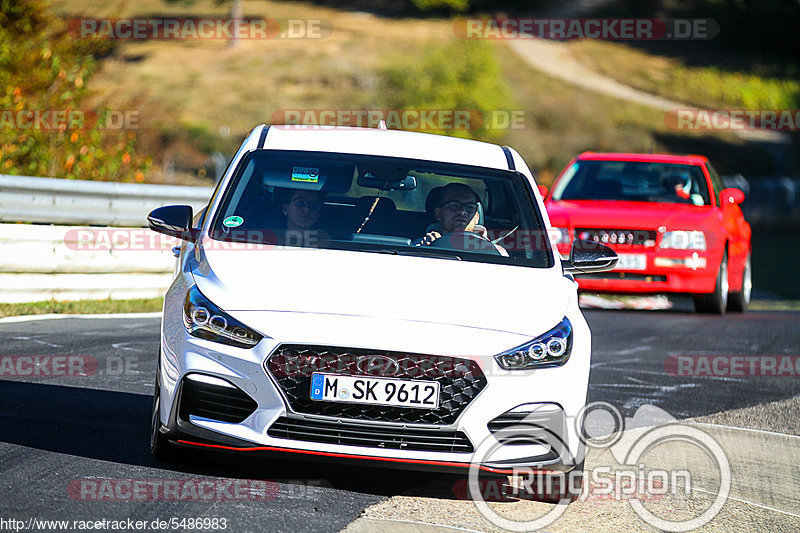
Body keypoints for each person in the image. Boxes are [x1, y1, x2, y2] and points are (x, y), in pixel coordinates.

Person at [416, 182, 507, 256]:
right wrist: (428, 249)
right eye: (454, 205)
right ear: (438, 214)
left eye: (470, 208)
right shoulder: (419, 245)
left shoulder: (497, 252)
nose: (462, 211)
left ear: (476, 218)